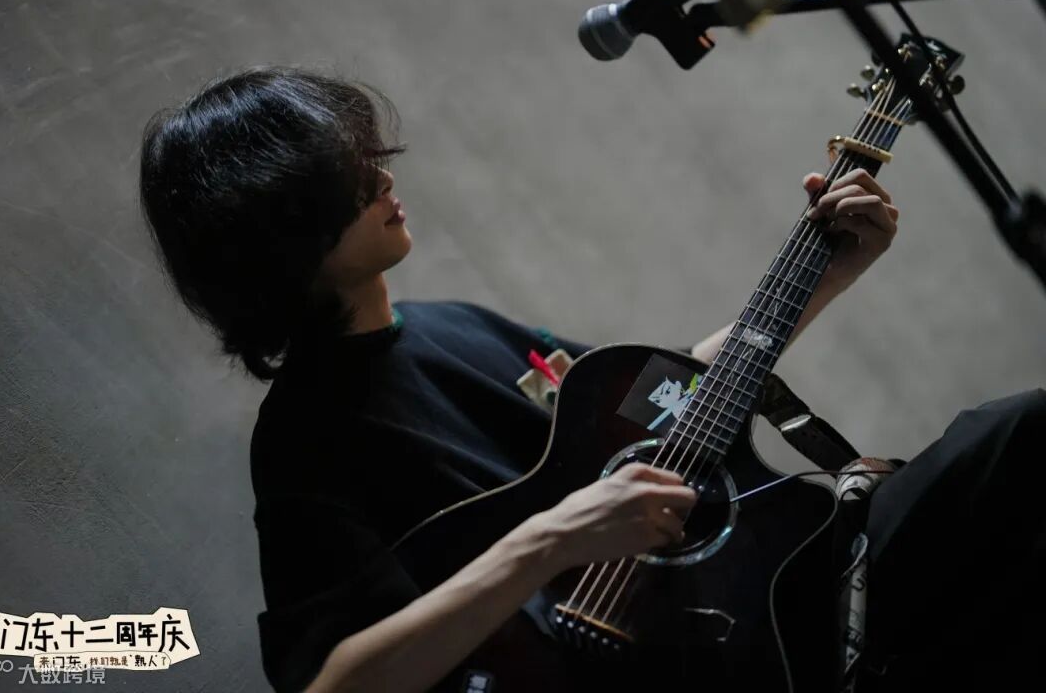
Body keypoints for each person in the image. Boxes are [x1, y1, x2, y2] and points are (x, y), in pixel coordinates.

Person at [138, 66, 1044, 693]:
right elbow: (335, 682)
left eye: (365, 155)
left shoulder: (452, 327)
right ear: (280, 231)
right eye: (344, 176)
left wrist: (826, 275)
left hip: (773, 588)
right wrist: (549, 542)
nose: (380, 177)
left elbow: (660, 408)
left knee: (1017, 438)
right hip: (670, 669)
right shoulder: (305, 444)